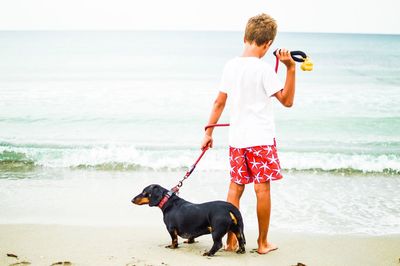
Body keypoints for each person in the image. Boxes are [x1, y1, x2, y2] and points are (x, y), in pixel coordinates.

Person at [200, 13, 296, 254]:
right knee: (262, 189)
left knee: (235, 188)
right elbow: (287, 101)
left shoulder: (230, 66)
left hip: (238, 140)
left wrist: (208, 132)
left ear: (245, 37)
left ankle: (231, 241)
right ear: (268, 44)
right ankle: (262, 243)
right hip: (261, 140)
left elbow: (219, 103)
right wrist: (291, 68)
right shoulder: (264, 70)